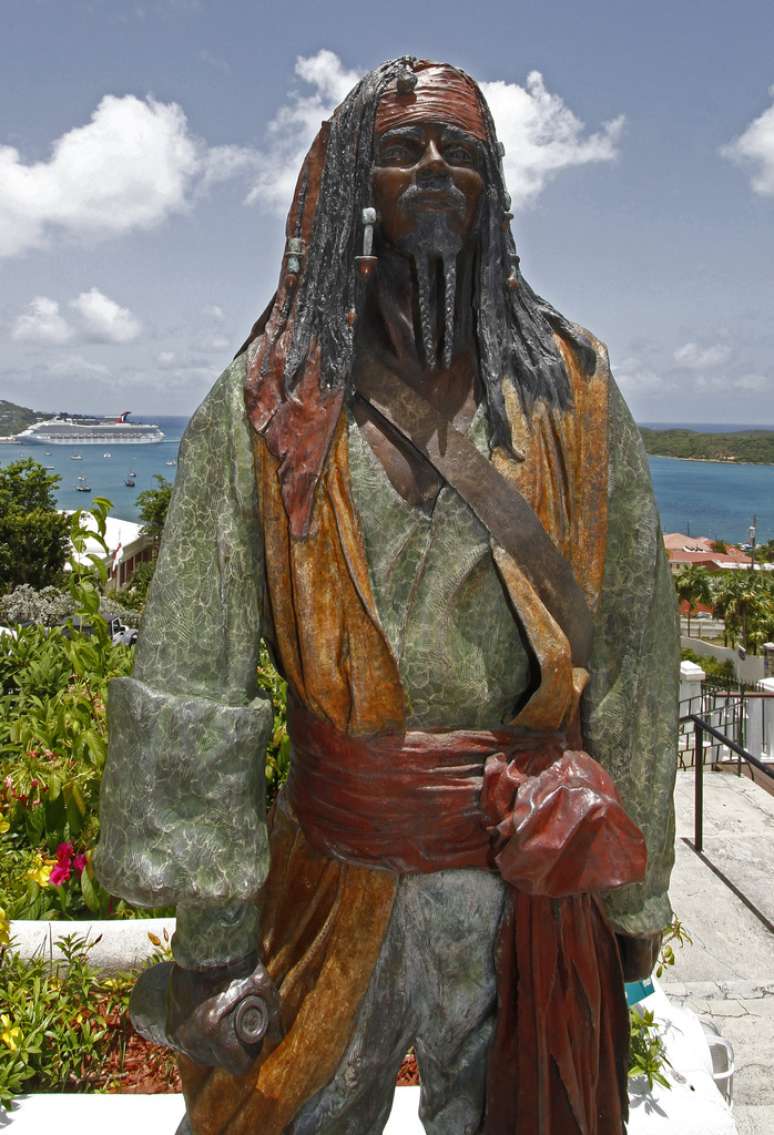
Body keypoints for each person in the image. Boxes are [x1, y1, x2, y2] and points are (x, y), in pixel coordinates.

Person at [96, 58, 679, 1135]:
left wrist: (632, 898)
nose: (432, 166)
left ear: (493, 187)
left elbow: (638, 657)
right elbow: (195, 675)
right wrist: (216, 938)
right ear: (352, 180)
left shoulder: (576, 394)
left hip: (522, 892)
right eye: (403, 145)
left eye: (460, 149)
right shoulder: (268, 400)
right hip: (329, 872)